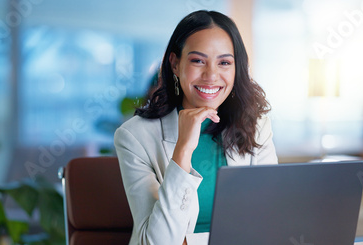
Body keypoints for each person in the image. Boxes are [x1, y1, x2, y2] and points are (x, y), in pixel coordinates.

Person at [114, 10, 278, 245]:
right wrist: (182, 151)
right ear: (175, 63)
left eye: (224, 62)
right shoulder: (135, 137)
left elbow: (270, 219)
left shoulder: (256, 125)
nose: (211, 75)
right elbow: (156, 242)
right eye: (198, 60)